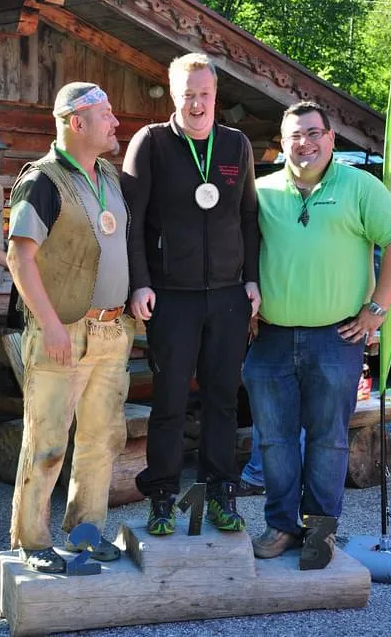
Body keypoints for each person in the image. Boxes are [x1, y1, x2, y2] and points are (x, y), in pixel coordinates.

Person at [243, 101, 391, 564]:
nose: (305, 143)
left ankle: (321, 529)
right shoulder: (261, 191)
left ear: (331, 138)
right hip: (270, 337)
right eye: (295, 135)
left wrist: (378, 308)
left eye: (314, 133)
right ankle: (281, 526)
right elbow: (239, 251)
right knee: (273, 440)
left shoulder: (360, 187)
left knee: (329, 439)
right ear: (283, 142)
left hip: (338, 338)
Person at [122, 53, 260, 536]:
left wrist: (251, 278)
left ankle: (220, 492)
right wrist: (139, 282)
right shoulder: (151, 142)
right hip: (170, 295)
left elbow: (248, 217)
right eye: (188, 95)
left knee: (223, 399)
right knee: (170, 400)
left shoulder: (236, 144)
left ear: (216, 95)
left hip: (228, 295)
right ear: (174, 94)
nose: (196, 104)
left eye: (204, 94)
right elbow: (132, 220)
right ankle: (161, 497)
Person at [7, 82, 134, 573]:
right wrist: (50, 325)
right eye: (107, 115)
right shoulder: (41, 180)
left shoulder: (108, 174)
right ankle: (32, 542)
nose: (116, 123)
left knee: (102, 441)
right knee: (46, 443)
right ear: (77, 123)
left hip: (112, 331)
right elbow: (20, 258)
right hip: (62, 334)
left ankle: (86, 532)